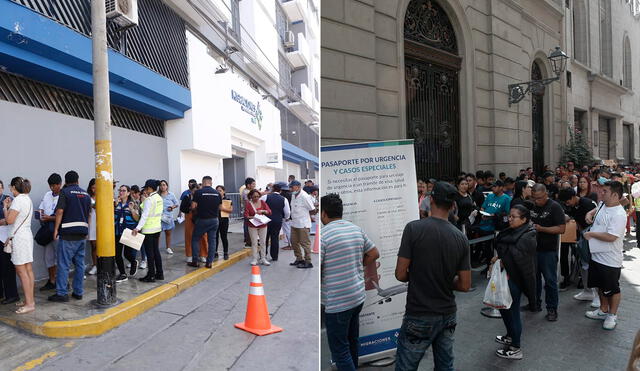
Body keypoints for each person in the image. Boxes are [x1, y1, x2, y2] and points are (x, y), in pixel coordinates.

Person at [394, 181, 471, 370]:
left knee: (406, 366)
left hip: (419, 313)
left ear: (430, 200)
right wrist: (443, 278)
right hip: (447, 313)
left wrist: (421, 275)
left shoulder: (413, 229)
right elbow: (464, 285)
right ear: (453, 205)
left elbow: (400, 273)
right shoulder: (460, 238)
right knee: (445, 366)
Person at [321, 193, 379, 371]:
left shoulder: (324, 235)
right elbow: (374, 253)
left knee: (340, 351)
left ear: (323, 213)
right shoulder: (355, 229)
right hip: (357, 297)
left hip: (337, 302)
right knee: (352, 342)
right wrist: (356, 265)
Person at [491, 205, 537, 360]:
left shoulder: (528, 235)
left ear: (524, 220)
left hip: (515, 279)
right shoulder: (511, 231)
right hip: (505, 278)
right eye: (509, 216)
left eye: (513, 217)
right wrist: (500, 257)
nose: (509, 219)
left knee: (512, 312)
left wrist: (502, 259)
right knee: (503, 308)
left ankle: (516, 348)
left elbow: (518, 258)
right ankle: (510, 336)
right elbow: (504, 249)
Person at [583, 181, 627, 330]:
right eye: (601, 191)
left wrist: (591, 234)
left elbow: (611, 237)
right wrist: (589, 213)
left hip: (610, 259)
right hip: (596, 255)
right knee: (600, 286)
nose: (600, 194)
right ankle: (603, 310)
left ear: (615, 195)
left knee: (612, 289)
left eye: (604, 192)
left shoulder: (619, 214)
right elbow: (596, 210)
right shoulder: (602, 205)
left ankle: (612, 315)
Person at [49, 171, 91, 302]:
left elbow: (60, 211)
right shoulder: (86, 194)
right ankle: (78, 292)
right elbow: (89, 214)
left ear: (65, 182)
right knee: (79, 264)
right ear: (78, 181)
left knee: (63, 264)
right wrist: (86, 229)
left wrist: (56, 229)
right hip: (82, 234)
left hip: (67, 234)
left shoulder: (65, 192)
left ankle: (61, 293)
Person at [529, 184, 566, 320]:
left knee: (550, 281)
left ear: (546, 194)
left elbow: (561, 229)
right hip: (532, 249)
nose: (536, 201)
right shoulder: (532, 206)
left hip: (548, 250)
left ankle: (552, 309)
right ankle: (535, 303)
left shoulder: (554, 207)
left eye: (539, 198)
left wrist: (542, 228)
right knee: (534, 279)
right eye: (534, 198)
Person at [2, 177, 35, 314]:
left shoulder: (18, 200)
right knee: (28, 269)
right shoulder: (27, 199)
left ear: (14, 188)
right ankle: (29, 300)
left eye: (11, 187)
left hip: (20, 238)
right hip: (26, 236)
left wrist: (5, 207)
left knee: (21, 271)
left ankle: (29, 304)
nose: (10, 190)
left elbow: (9, 220)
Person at [558, 188, 597, 292]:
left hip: (590, 237)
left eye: (568, 202)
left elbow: (594, 223)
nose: (567, 204)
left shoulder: (587, 204)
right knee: (579, 261)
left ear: (573, 197)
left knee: (587, 261)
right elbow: (577, 221)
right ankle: (582, 286)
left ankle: (588, 285)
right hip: (579, 236)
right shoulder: (573, 206)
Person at [189, 176, 230, 268]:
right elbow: (220, 207)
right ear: (211, 183)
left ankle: (195, 261)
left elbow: (193, 206)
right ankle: (209, 262)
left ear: (203, 183)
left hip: (202, 219)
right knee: (212, 241)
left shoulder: (198, 192)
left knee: (195, 239)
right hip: (214, 220)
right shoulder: (217, 193)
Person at [133, 179, 164, 283]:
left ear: (150, 188)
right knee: (156, 252)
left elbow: (145, 215)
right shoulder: (159, 198)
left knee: (149, 254)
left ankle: (150, 275)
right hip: (157, 229)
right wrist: (143, 202)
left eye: (146, 188)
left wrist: (137, 228)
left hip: (148, 230)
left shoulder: (149, 200)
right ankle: (159, 273)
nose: (145, 191)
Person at [37, 173, 62, 291]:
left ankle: (62, 281)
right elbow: (41, 207)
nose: (52, 188)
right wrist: (41, 214)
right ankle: (51, 281)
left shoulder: (64, 195)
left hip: (59, 231)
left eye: (54, 185)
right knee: (48, 257)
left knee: (60, 258)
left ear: (60, 184)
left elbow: (63, 215)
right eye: (50, 186)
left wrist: (49, 218)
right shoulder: (47, 194)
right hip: (47, 230)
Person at [289, 180, 316, 269]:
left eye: (292, 187)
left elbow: (312, 209)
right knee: (294, 242)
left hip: (303, 224)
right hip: (294, 223)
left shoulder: (305, 196)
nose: (291, 189)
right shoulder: (293, 195)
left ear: (298, 186)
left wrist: (311, 217)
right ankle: (299, 259)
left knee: (305, 243)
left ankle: (308, 261)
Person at [114, 185, 139, 282]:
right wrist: (114, 206)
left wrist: (132, 209)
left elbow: (137, 218)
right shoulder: (116, 203)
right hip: (117, 231)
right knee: (117, 254)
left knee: (127, 253)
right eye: (120, 190)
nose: (121, 192)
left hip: (128, 231)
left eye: (124, 191)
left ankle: (133, 262)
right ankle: (123, 274)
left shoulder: (132, 203)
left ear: (128, 193)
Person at [0, 180, 19, 305]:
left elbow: (10, 220)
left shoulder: (8, 200)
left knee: (7, 268)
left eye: (0, 187)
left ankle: (12, 295)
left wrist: (4, 221)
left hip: (5, 238)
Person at [261, 182, 290, 262]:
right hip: (277, 220)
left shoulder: (265, 197)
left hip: (266, 220)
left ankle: (263, 255)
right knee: (275, 238)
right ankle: (274, 256)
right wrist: (286, 218)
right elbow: (287, 212)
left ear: (272, 189)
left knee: (264, 238)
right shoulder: (284, 199)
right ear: (280, 191)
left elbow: (259, 205)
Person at [181, 181, 208, 264]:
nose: (196, 192)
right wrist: (190, 208)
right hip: (189, 218)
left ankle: (203, 255)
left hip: (201, 218)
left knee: (203, 236)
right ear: (191, 191)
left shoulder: (203, 198)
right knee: (189, 236)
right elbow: (182, 208)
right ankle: (189, 255)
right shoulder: (187, 197)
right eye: (194, 191)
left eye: (197, 191)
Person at [245, 189, 272, 266]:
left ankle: (263, 258)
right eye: (254, 197)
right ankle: (254, 259)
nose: (256, 198)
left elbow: (269, 211)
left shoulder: (262, 203)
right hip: (252, 225)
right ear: (251, 197)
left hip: (263, 224)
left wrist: (263, 211)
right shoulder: (248, 204)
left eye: (257, 196)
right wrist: (254, 216)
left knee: (263, 242)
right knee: (254, 242)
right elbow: (246, 216)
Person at [158, 180, 179, 255]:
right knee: (158, 234)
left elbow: (177, 204)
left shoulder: (171, 194)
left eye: (164, 185)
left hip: (168, 217)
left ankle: (168, 248)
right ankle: (156, 249)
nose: (162, 186)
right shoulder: (157, 195)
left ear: (167, 186)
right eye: (161, 185)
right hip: (159, 217)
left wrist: (172, 207)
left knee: (168, 233)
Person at [215, 185, 232, 260]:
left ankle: (225, 252)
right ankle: (215, 252)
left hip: (224, 220)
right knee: (215, 237)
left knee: (224, 236)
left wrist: (222, 208)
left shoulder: (227, 200)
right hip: (215, 219)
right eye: (217, 191)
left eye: (220, 190)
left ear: (224, 191)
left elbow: (230, 210)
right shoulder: (214, 199)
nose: (218, 192)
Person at [85, 178, 98, 275]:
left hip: (102, 223)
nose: (94, 189)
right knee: (93, 246)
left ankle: (102, 264)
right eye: (93, 188)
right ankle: (95, 265)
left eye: (96, 187)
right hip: (91, 223)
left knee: (101, 245)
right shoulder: (87, 197)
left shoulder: (103, 196)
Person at [242, 177, 257, 247]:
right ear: (248, 185)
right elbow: (247, 202)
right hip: (247, 212)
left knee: (251, 226)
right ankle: (248, 242)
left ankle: (251, 240)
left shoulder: (250, 191)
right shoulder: (245, 192)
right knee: (247, 227)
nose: (254, 185)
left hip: (251, 211)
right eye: (253, 184)